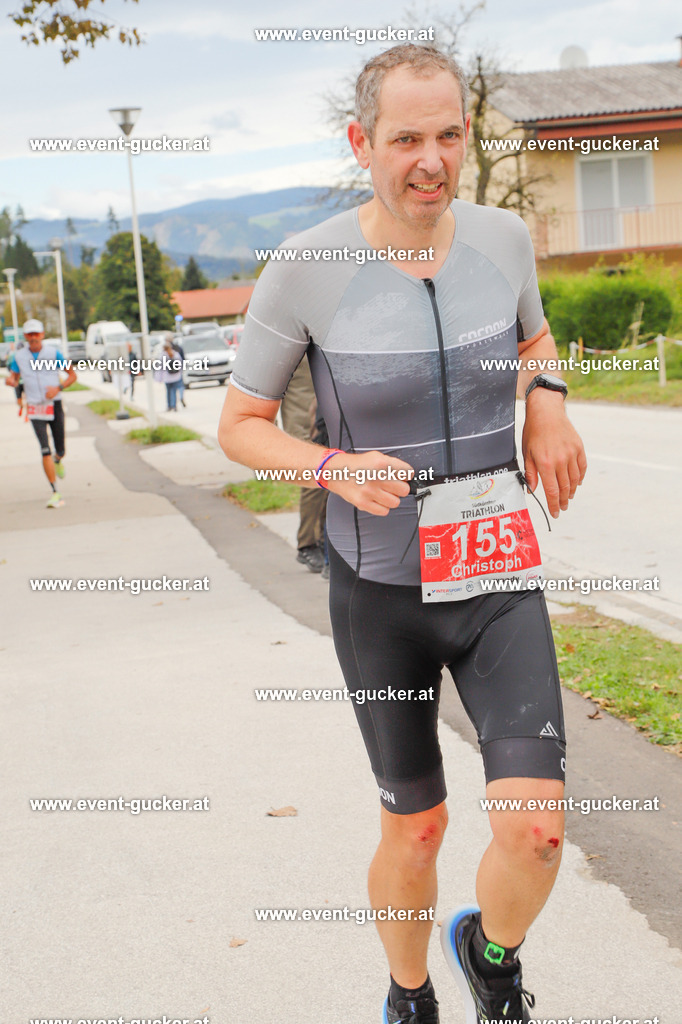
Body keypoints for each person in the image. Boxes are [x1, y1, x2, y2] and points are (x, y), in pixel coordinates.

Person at [218, 44, 586, 1024]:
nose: (431, 159)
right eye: (406, 138)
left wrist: (545, 400)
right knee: (416, 825)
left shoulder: (503, 239)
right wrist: (332, 467)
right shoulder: (306, 267)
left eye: (449, 134)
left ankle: (491, 955)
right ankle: (409, 991)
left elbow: (532, 339)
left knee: (535, 831)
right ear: (361, 142)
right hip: (382, 588)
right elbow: (240, 425)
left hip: (498, 577)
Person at [5, 318, 77, 507]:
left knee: (60, 448)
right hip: (35, 407)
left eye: (37, 333)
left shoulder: (54, 354)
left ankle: (58, 458)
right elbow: (15, 377)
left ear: (43, 334)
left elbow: (72, 375)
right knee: (44, 449)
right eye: (30, 334)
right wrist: (12, 383)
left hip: (54, 403)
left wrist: (58, 388)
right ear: (26, 336)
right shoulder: (19, 357)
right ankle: (55, 491)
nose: (34, 337)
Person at [280, 358, 328, 573]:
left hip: (326, 419)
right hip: (301, 424)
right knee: (314, 484)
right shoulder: (288, 341)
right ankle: (307, 544)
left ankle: (324, 542)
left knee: (333, 483)